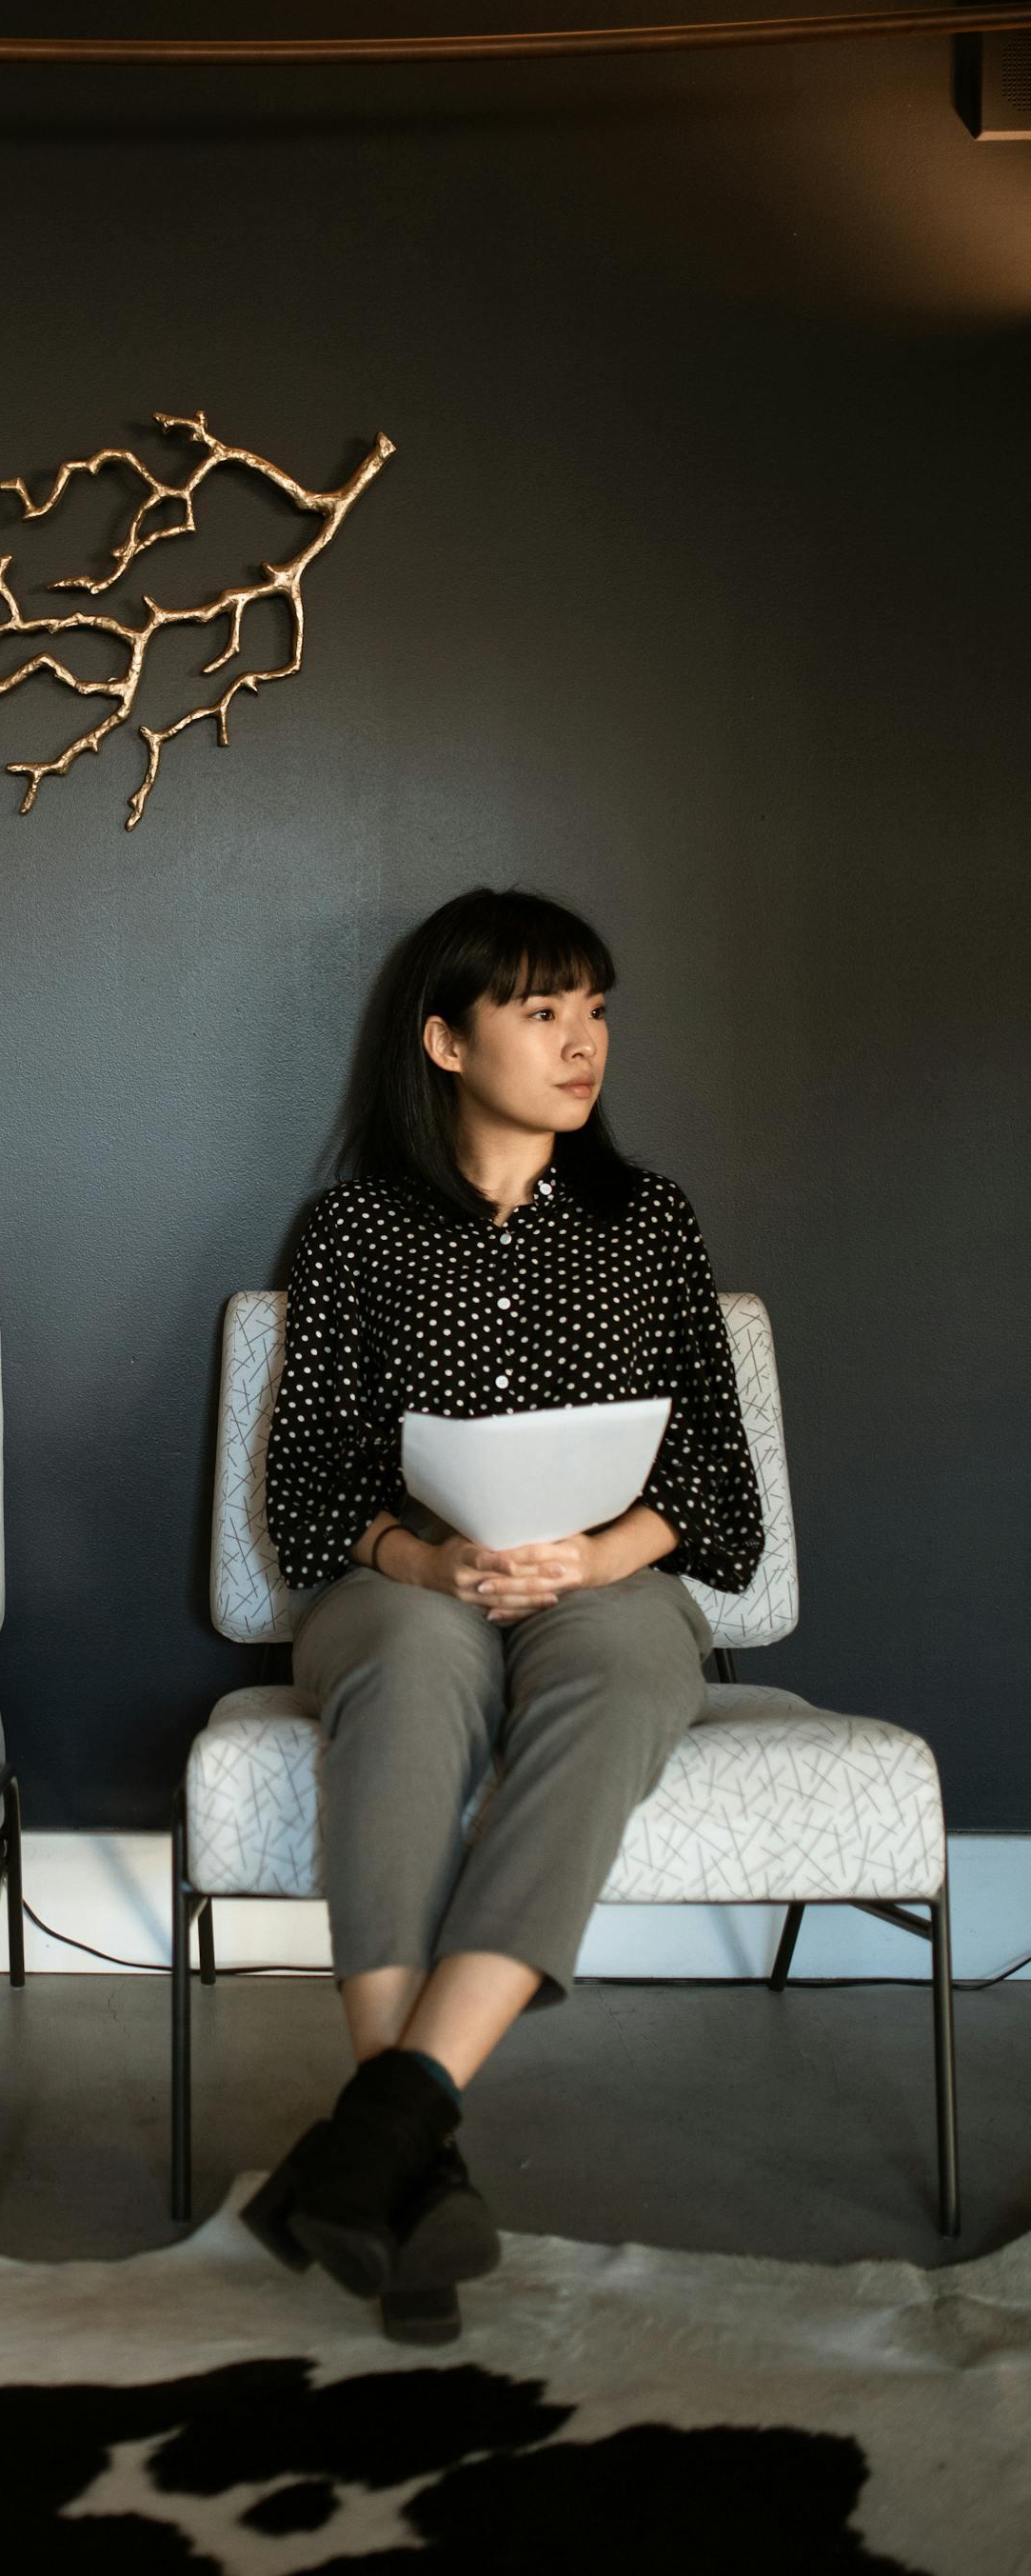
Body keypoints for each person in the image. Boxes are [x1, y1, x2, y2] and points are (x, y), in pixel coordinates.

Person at [247, 885, 763, 2340]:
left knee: (612, 1668)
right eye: (542, 1010)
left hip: (602, 1586)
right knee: (410, 1667)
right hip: (407, 1583)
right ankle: (404, 2161)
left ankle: (382, 2133)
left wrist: (599, 1561)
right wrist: (429, 1567)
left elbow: (720, 1481)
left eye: (594, 1009)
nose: (581, 1040)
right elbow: (306, 1490)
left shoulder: (648, 1219)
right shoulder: (354, 1230)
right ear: (447, 1040)